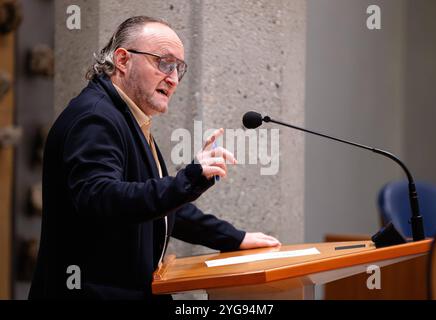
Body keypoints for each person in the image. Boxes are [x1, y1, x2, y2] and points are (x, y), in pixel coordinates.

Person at [29, 16, 280, 300]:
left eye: (179, 69)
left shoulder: (125, 116)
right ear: (123, 60)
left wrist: (234, 238)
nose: (173, 78)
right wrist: (188, 179)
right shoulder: (95, 117)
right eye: (164, 63)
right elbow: (100, 197)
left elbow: (163, 208)